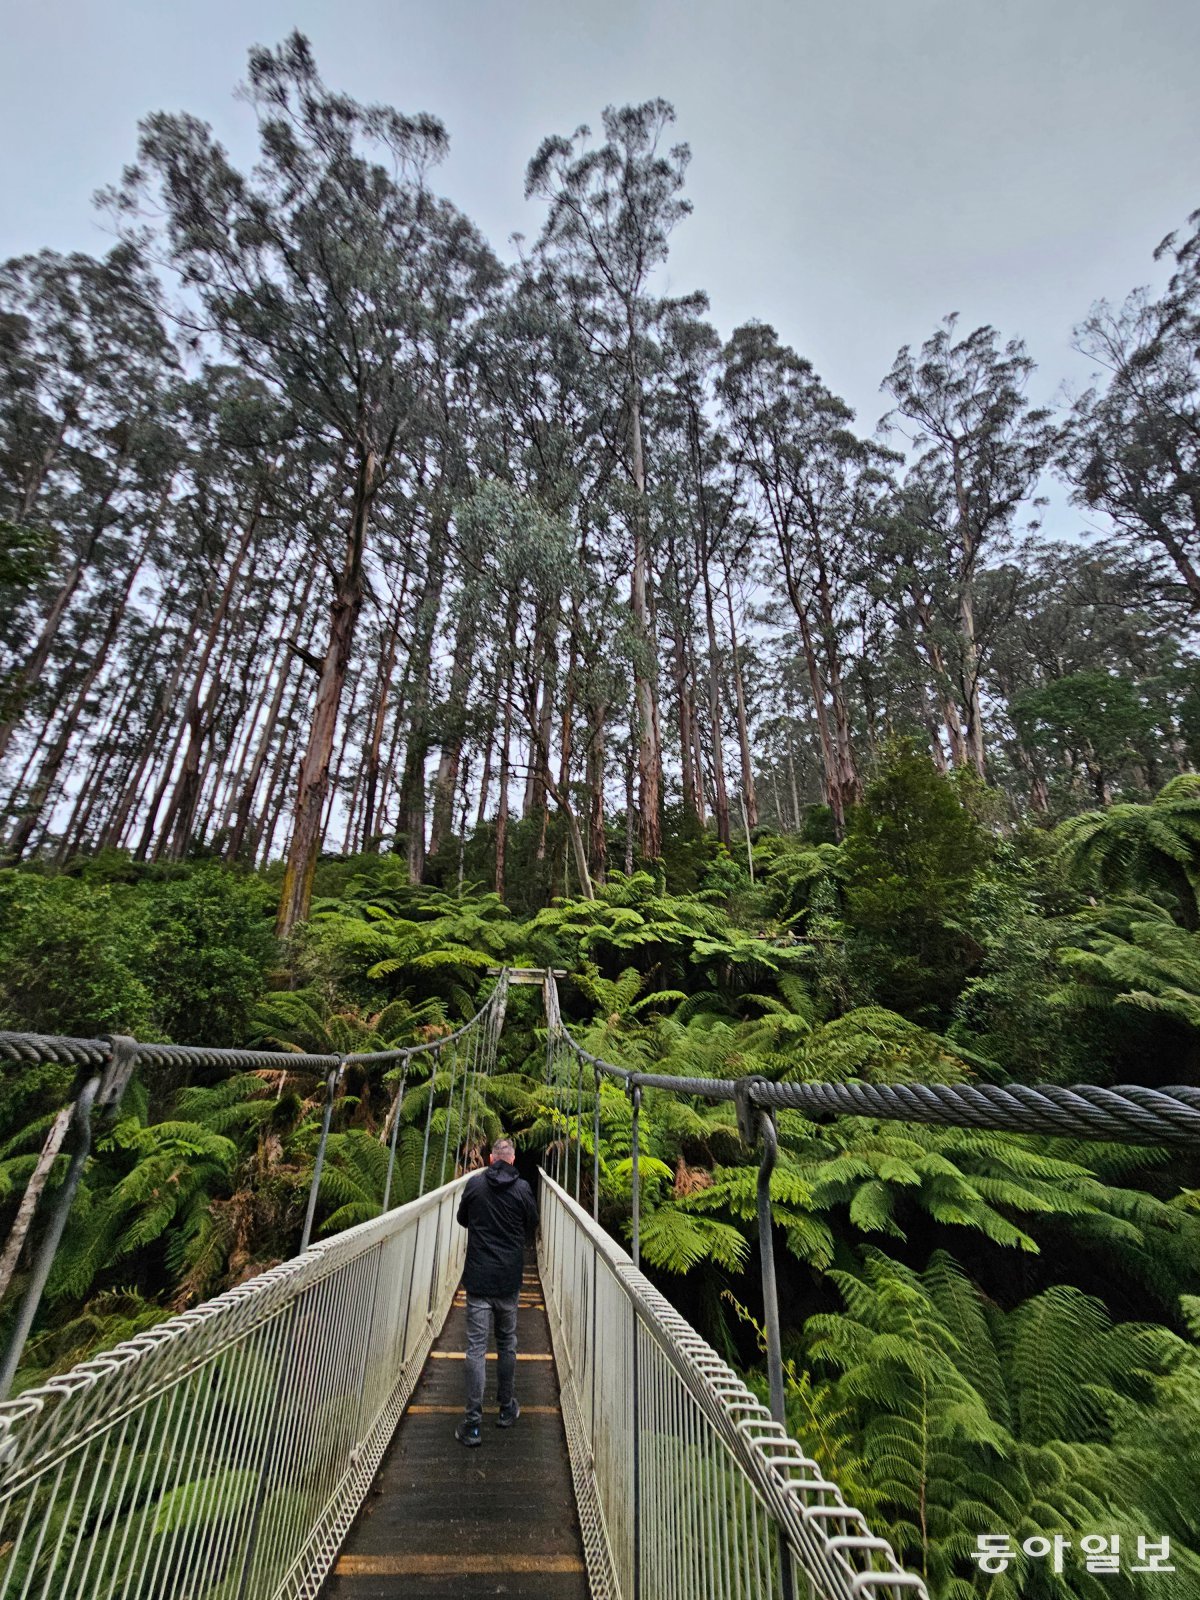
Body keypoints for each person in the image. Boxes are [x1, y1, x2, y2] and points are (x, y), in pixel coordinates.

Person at [453, 1135, 539, 1447]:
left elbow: (463, 1219)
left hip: (478, 1280)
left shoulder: (475, 1185)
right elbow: (532, 1222)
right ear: (513, 1160)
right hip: (508, 1281)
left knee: (476, 1348)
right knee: (507, 1343)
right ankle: (505, 1409)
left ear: (491, 1159)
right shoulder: (522, 1189)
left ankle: (473, 1425)